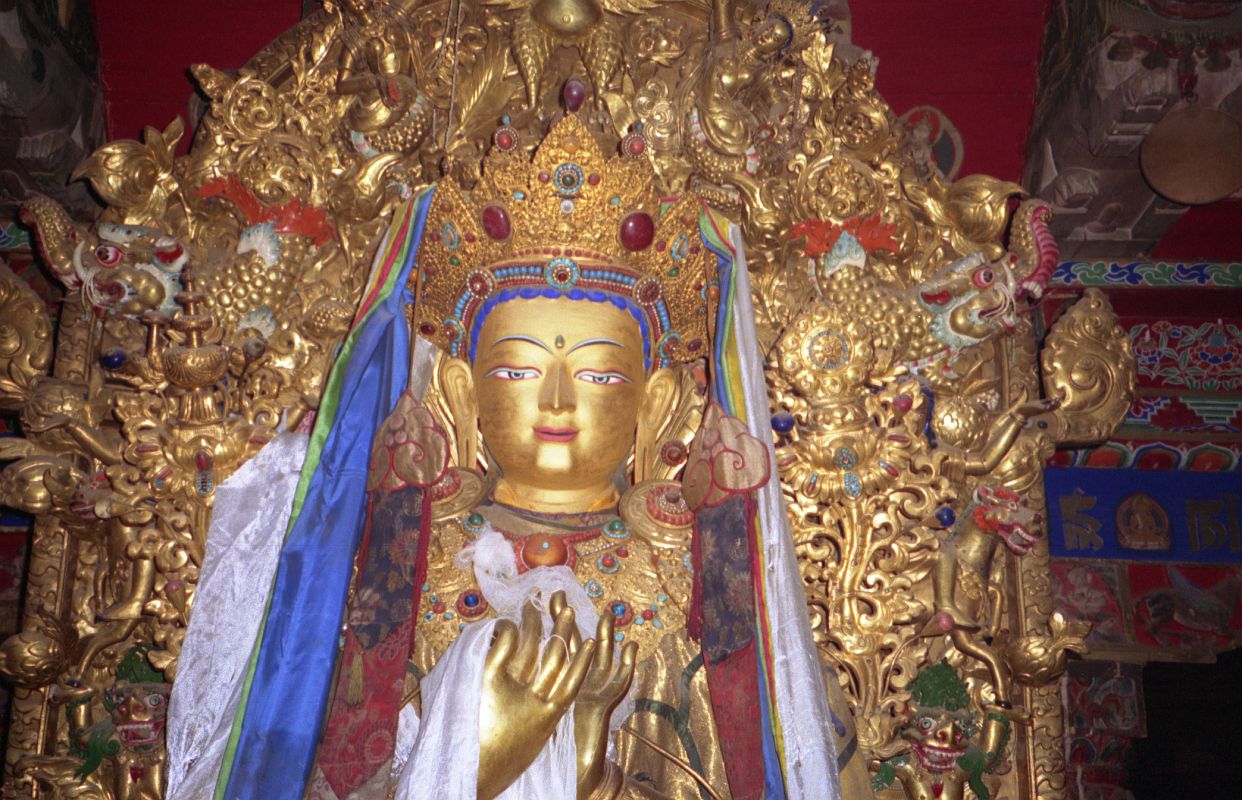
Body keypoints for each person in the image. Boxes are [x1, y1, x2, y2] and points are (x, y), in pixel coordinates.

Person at [168, 113, 856, 800]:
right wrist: (484, 760)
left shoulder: (684, 579)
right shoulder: (404, 561)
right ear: (462, 390)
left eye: (600, 376)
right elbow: (321, 779)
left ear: (656, 403)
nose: (556, 401)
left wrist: (596, 771)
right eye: (519, 373)